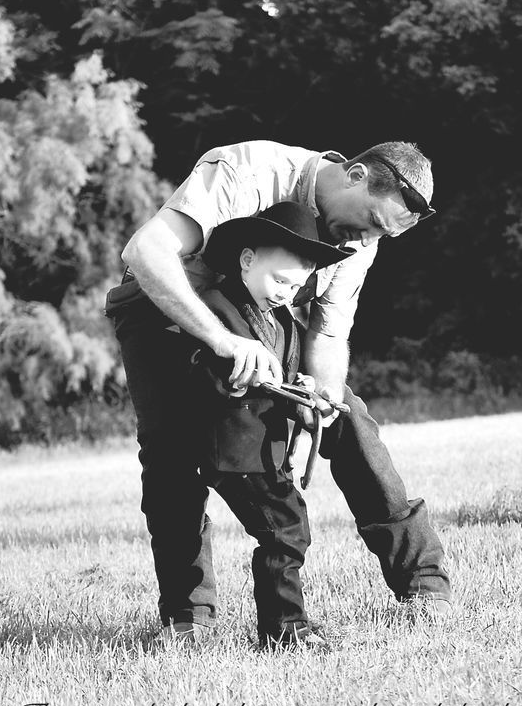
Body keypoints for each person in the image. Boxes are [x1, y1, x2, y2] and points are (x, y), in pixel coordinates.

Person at [108, 139, 451, 644]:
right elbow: (146, 251)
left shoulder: (361, 240)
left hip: (266, 322)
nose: (366, 239)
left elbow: (329, 333)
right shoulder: (249, 171)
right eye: (371, 222)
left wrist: (317, 405)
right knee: (172, 452)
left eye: (381, 234)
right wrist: (220, 340)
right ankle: (188, 616)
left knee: (346, 418)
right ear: (356, 174)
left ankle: (422, 581)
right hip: (164, 311)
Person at [187, 201, 352, 647]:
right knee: (284, 528)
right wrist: (238, 378)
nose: (284, 292)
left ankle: (284, 624)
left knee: (287, 526)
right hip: (233, 448)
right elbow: (205, 377)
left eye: (295, 286)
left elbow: (286, 388)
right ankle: (285, 630)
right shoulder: (217, 309)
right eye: (279, 280)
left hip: (268, 452)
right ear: (246, 260)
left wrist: (304, 396)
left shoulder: (285, 323)